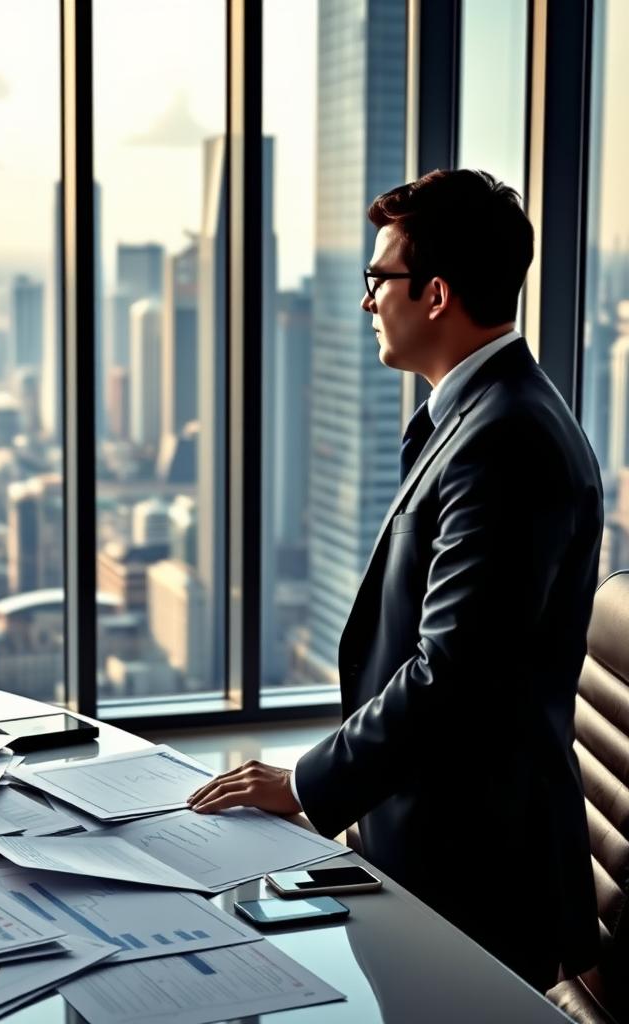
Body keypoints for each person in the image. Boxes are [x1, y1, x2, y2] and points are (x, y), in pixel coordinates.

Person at [187, 169, 602, 993]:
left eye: (379, 279)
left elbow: (454, 671)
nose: (369, 300)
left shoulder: (505, 438)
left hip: (472, 870)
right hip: (429, 837)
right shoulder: (481, 413)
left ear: (437, 294)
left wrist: (306, 783)